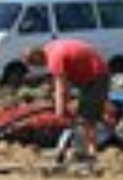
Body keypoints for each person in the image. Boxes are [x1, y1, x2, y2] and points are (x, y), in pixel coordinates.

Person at [39, 34, 112, 172]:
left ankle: (89, 156)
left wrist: (60, 109)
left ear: (38, 59)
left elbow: (61, 87)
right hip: (89, 77)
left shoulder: (54, 59)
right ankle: (75, 153)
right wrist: (62, 104)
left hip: (97, 77)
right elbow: (63, 84)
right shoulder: (49, 49)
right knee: (81, 119)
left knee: (86, 120)